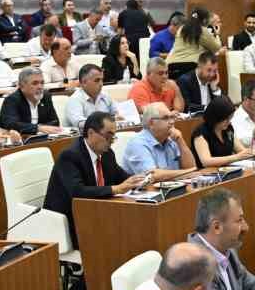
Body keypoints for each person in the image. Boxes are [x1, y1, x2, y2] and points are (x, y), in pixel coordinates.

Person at [46, 112, 149, 248]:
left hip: (96, 213)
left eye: (114, 136)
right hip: (69, 220)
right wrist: (116, 189)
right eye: (108, 136)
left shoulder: (106, 154)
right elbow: (77, 191)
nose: (111, 141)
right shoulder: (70, 155)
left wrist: (140, 181)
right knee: (121, 234)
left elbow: (122, 177)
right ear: (90, 133)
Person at [119, 103, 194, 180]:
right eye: (166, 118)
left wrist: (180, 141)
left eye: (172, 117)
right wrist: (188, 172)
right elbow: (152, 177)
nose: (172, 122)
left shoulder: (172, 139)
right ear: (151, 123)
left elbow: (192, 167)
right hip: (146, 190)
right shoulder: (137, 144)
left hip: (172, 187)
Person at [188, 96, 252, 169]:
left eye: (230, 118)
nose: (228, 122)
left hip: (226, 170)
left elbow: (241, 151)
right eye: (226, 119)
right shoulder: (201, 133)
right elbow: (206, 161)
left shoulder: (228, 129)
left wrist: (253, 153)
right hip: (207, 173)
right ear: (216, 117)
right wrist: (236, 157)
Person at [0, 67, 64, 138]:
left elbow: (55, 121)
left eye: (42, 83)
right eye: (35, 83)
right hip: (17, 141)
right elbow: (11, 125)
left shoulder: (46, 96)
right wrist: (38, 128)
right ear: (22, 86)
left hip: (40, 138)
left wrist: (39, 129)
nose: (40, 87)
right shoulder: (12, 99)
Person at [167, 9, 221, 82]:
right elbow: (216, 48)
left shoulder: (181, 29)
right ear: (204, 20)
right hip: (190, 67)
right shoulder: (202, 30)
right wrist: (217, 34)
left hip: (171, 66)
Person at [64, 65, 117, 130]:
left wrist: (117, 117)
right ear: (84, 82)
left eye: (102, 80)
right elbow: (80, 123)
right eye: (97, 80)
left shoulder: (105, 96)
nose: (101, 84)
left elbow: (116, 114)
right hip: (81, 138)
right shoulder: (74, 100)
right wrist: (105, 122)